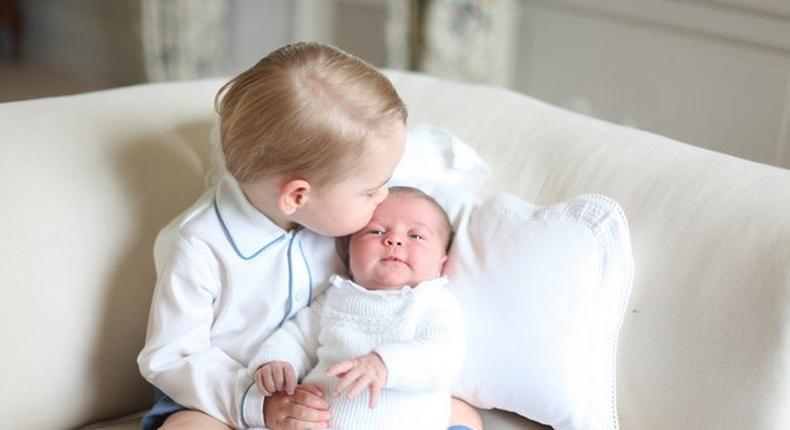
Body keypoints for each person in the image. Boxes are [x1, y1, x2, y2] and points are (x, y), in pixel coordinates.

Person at [136, 42, 482, 430]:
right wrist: (258, 404)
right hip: (224, 398)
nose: (383, 198)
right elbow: (171, 357)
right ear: (298, 195)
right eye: (371, 191)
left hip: (330, 391)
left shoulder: (337, 208)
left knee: (462, 414)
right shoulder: (198, 244)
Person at [252, 187, 466, 430]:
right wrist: (278, 361)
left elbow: (445, 358)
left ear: (442, 263)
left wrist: (386, 364)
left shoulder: (433, 302)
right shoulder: (336, 297)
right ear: (349, 253)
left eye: (416, 236)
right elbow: (297, 336)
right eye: (376, 231)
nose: (394, 240)